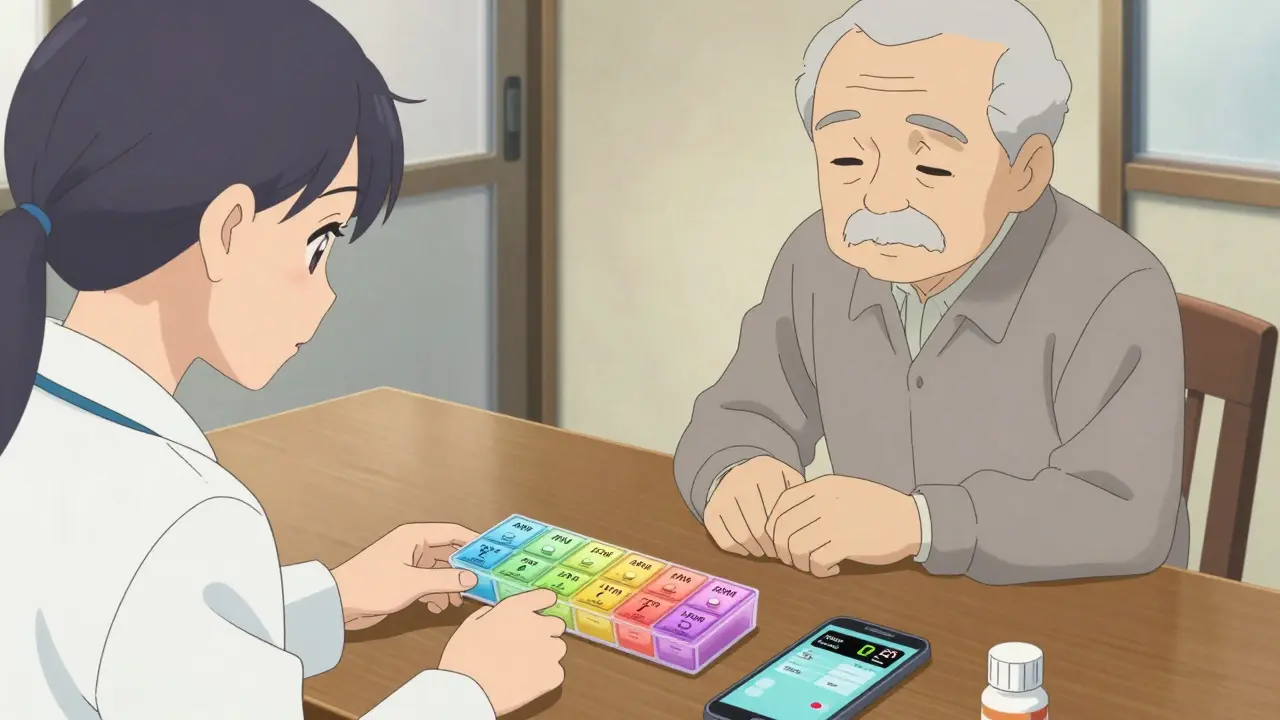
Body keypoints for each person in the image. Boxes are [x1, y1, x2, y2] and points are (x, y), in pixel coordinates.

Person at [0, 1, 564, 717]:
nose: (326, 294)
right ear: (227, 228)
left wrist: (334, 597)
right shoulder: (186, 518)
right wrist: (468, 689)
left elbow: (136, 636)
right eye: (320, 238)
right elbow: (148, 600)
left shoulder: (24, 406)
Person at [673, 0, 1190, 586]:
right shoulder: (817, 258)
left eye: (931, 168)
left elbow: (1122, 511)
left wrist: (921, 524)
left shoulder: (1118, 288)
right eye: (847, 157)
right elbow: (742, 408)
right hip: (888, 609)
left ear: (1026, 170)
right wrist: (737, 469)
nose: (881, 198)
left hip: (1085, 623)